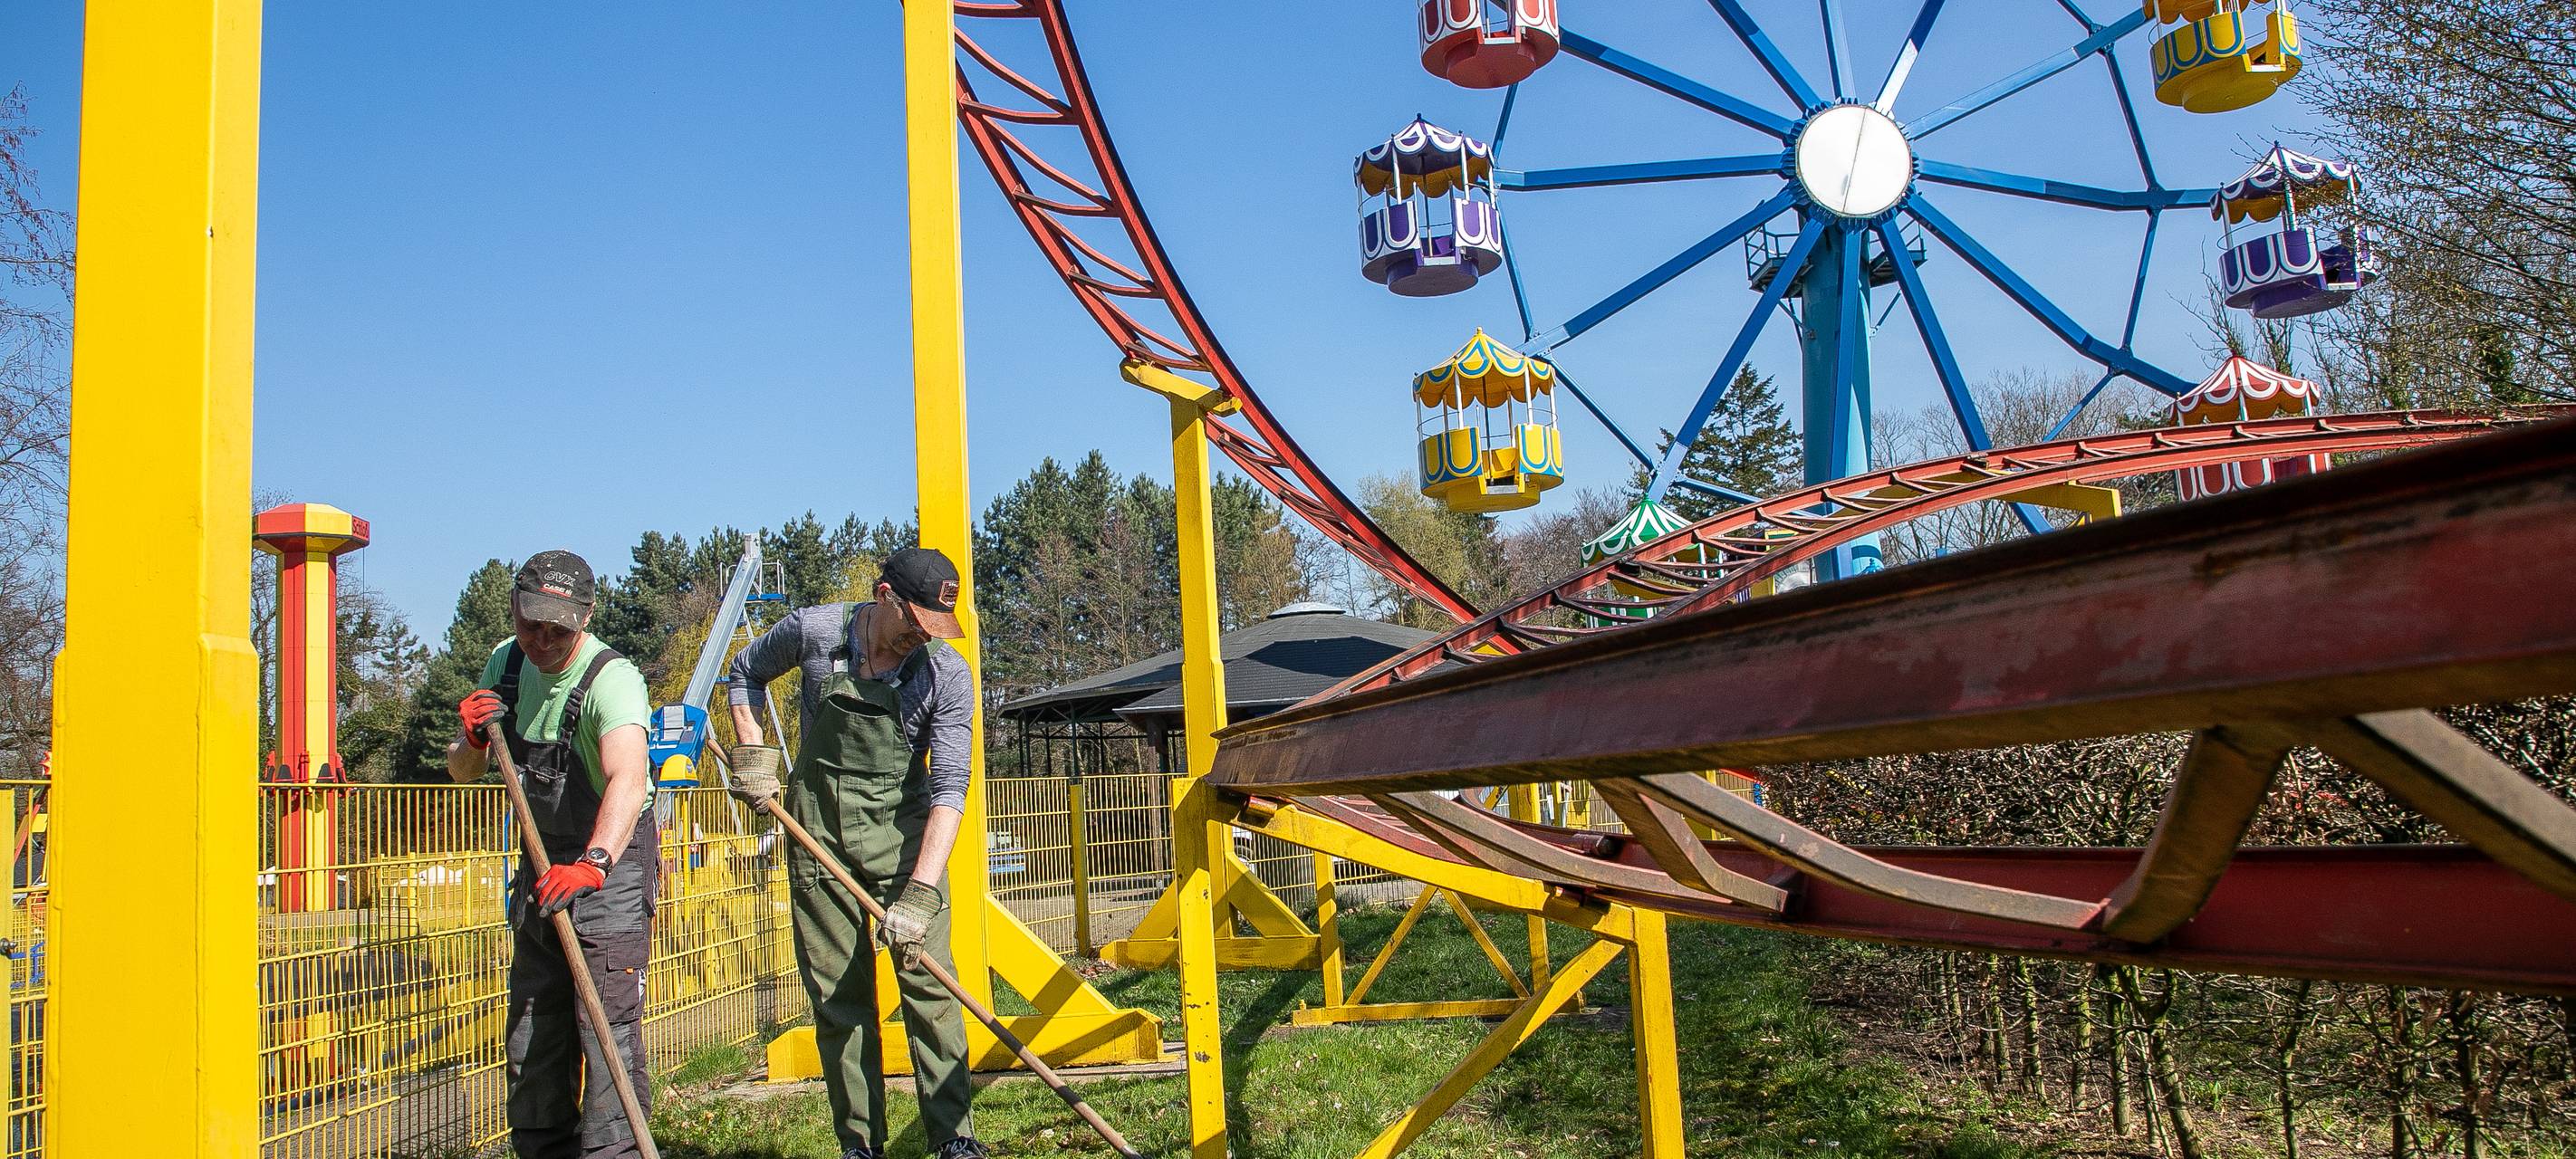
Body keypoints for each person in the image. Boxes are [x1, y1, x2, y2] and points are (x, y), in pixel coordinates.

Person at [724, 547, 986, 1159]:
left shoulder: (945, 674)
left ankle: (954, 1137)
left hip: (903, 843)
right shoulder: (814, 633)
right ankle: (860, 1144)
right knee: (840, 1001)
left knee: (931, 989)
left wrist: (921, 893)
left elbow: (950, 787)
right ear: (883, 595)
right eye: (914, 623)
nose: (923, 638)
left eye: (935, 629)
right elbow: (744, 672)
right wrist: (754, 756)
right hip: (818, 837)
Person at [448, 551, 658, 1159]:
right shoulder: (506, 664)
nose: (540, 640)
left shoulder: (611, 679)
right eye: (529, 623)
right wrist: (468, 739)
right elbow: (464, 773)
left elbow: (628, 778)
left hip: (606, 866)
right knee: (535, 1026)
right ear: (514, 608)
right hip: (541, 865)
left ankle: (615, 1154)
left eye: (556, 630)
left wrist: (593, 863)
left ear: (586, 617)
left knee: (605, 1027)